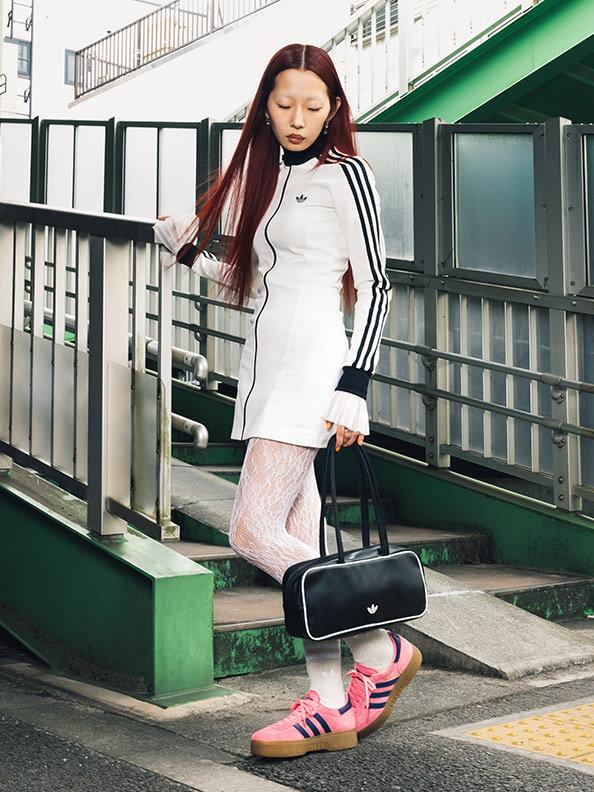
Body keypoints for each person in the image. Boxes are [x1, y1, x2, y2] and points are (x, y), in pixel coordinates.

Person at [154, 43, 421, 759]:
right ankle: (329, 704)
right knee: (301, 537)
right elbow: (262, 289)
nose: (297, 118)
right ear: (263, 107)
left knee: (251, 531)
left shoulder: (346, 175)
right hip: (267, 369)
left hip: (313, 370)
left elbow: (378, 285)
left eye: (312, 105)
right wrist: (192, 256)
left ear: (333, 108)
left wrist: (353, 386)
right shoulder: (271, 182)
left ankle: (379, 648)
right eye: (283, 104)